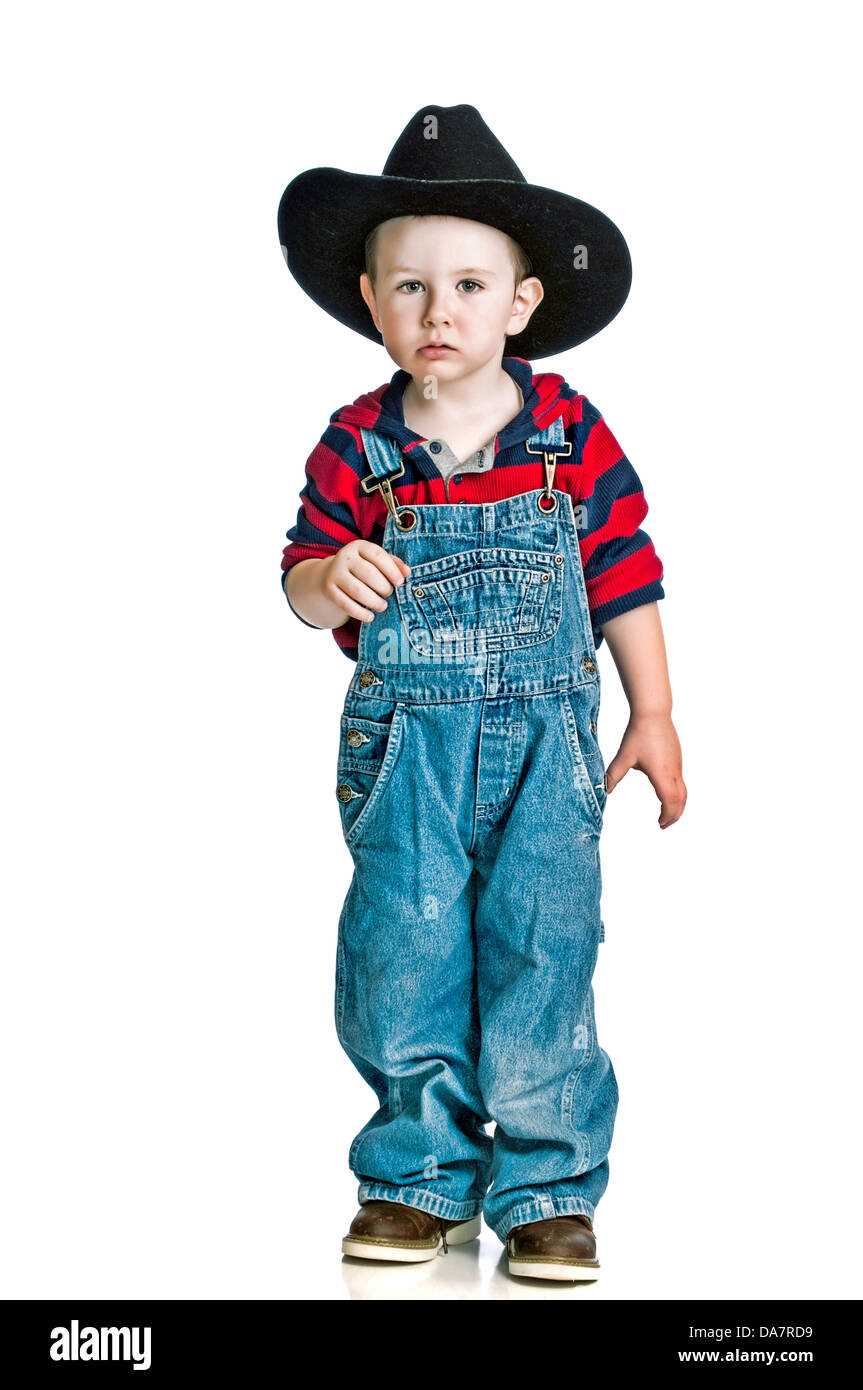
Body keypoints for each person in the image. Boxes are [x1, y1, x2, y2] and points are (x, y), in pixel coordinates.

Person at [277, 104, 687, 1281]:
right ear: (371, 300)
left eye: (467, 286)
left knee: (542, 948)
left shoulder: (566, 433)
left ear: (520, 304)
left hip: (546, 745)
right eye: (409, 287)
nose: (437, 312)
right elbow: (298, 576)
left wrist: (653, 713)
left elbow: (623, 570)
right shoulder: (357, 446)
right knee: (403, 948)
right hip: (405, 747)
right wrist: (325, 579)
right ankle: (416, 1176)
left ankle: (547, 1188)